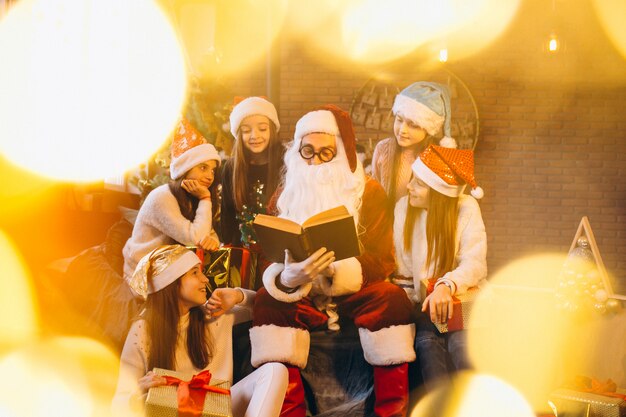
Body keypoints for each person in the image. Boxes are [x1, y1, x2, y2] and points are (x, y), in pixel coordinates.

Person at [250, 105, 416, 417]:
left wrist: (336, 270)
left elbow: (382, 260)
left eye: (325, 153)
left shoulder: (369, 192)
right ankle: (290, 411)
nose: (314, 161)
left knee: (392, 299)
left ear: (342, 151)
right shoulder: (285, 194)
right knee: (266, 303)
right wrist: (287, 278)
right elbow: (266, 256)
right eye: (307, 151)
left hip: (354, 293)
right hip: (303, 293)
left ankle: (390, 412)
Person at [111, 244, 289, 417]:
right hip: (174, 412)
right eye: (195, 273)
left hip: (218, 407)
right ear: (171, 282)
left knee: (274, 371)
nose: (205, 279)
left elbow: (265, 308)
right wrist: (138, 392)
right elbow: (118, 405)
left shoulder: (214, 314)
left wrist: (237, 295)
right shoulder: (143, 330)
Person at [392, 144, 487, 390]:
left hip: (462, 302)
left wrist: (446, 285)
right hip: (423, 308)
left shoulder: (466, 208)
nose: (409, 186)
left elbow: (475, 263)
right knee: (429, 354)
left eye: (419, 183)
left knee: (462, 351)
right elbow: (402, 272)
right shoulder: (404, 208)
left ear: (439, 192)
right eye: (412, 179)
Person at [122, 117, 221, 284]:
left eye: (212, 170)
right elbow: (194, 238)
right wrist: (205, 199)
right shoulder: (162, 197)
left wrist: (213, 241)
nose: (210, 176)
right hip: (142, 275)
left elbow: (209, 236)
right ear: (185, 169)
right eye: (203, 168)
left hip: (170, 269)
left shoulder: (193, 197)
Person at [372, 82, 457, 206]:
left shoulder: (438, 157)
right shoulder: (383, 148)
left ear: (428, 129)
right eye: (399, 120)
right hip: (386, 223)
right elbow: (375, 192)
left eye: (413, 125)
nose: (402, 130)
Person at [220, 96, 284, 248]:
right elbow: (226, 224)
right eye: (246, 131)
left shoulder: (286, 162)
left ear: (272, 130)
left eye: (262, 129)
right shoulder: (231, 168)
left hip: (278, 253)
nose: (255, 136)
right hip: (242, 253)